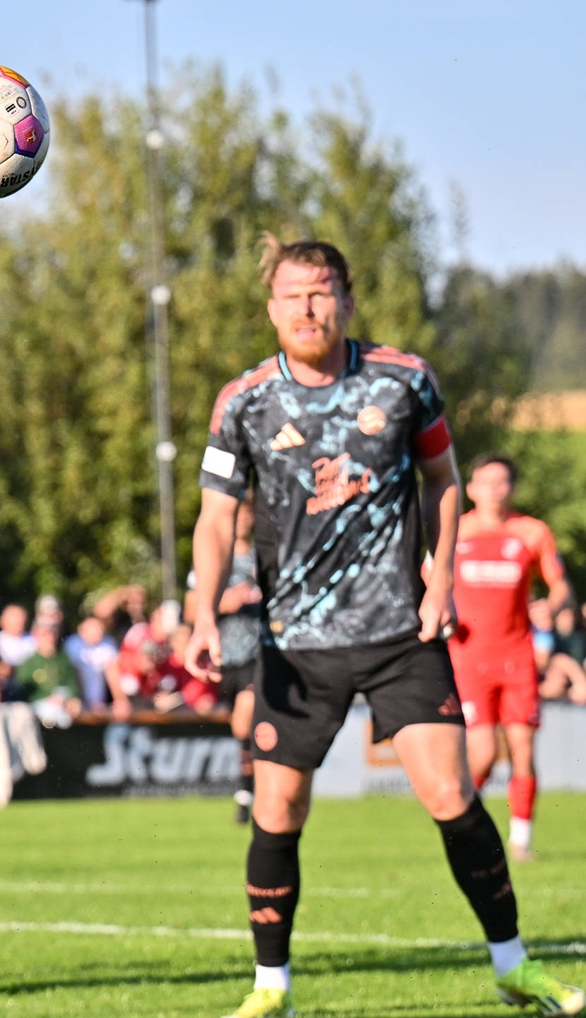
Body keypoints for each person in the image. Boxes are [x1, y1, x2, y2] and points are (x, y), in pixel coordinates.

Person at [185, 234, 582, 1018]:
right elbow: (214, 516)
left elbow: (444, 481)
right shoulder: (244, 400)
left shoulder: (404, 381)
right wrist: (201, 609)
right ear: (271, 307)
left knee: (449, 792)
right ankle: (272, 989)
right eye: (293, 293)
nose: (307, 306)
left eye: (322, 290)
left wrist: (439, 576)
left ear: (348, 299)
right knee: (276, 812)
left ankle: (513, 965)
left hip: (403, 633)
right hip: (294, 643)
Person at [448, 453, 573, 861]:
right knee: (481, 753)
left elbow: (560, 587)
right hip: (468, 656)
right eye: (485, 482)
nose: (494, 490)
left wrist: (551, 609)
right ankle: (466, 829)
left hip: (517, 656)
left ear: (511, 488)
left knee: (523, 749)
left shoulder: (531, 533)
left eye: (501, 482)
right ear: (471, 489)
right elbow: (428, 580)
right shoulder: (455, 530)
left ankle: (520, 841)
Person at [189, 494, 265, 823]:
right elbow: (190, 609)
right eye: (239, 515)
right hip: (222, 656)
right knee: (241, 727)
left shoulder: (266, 557)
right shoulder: (213, 558)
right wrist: (225, 602)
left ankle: (248, 793)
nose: (243, 521)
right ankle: (247, 787)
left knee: (247, 716)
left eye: (249, 514)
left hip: (259, 653)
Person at [14, 622, 82, 721]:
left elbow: (71, 683)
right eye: (44, 635)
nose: (49, 638)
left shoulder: (63, 659)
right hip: (39, 709)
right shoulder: (29, 663)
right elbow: (24, 691)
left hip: (63, 706)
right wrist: (46, 698)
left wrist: (72, 699)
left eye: (52, 634)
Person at [64, 616, 117, 713]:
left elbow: (113, 673)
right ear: (82, 631)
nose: (98, 634)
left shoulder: (108, 644)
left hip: (102, 701)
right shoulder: (71, 645)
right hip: (77, 697)